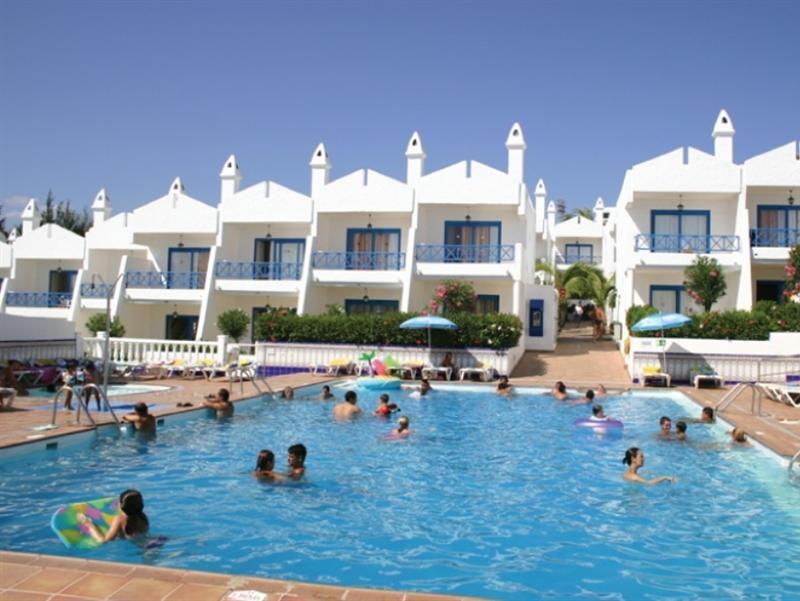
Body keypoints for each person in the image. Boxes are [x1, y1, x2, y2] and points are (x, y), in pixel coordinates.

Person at [78, 489, 149, 543]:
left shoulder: (120, 519)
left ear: (120, 505)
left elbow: (104, 541)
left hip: (138, 546)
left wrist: (89, 525)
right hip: (147, 542)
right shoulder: (143, 516)